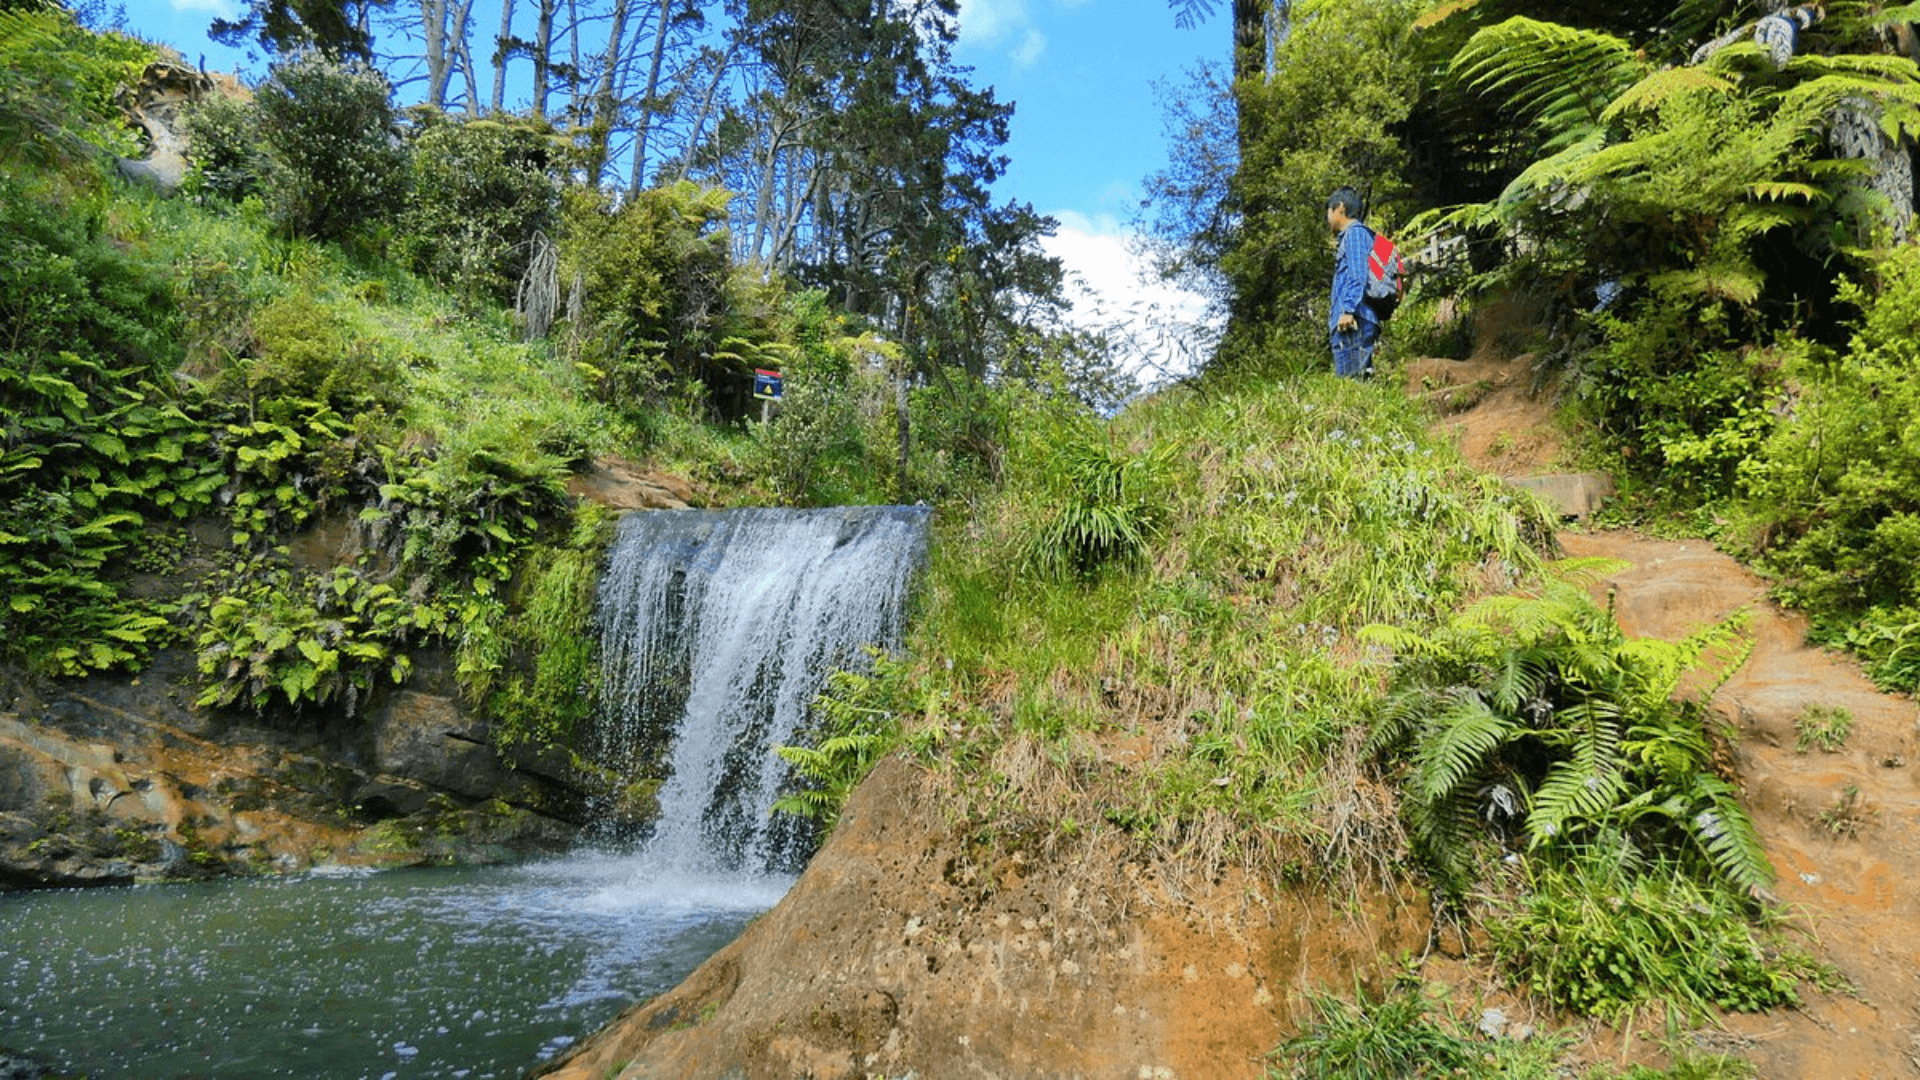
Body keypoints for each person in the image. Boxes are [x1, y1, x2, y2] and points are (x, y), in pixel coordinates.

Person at [1326, 187, 1379, 379]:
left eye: (1329, 212)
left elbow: (1358, 275)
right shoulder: (1352, 236)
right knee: (1356, 382)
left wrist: (1347, 310)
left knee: (1353, 383)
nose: (1328, 219)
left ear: (1340, 208)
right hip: (1351, 322)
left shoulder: (1355, 234)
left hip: (1352, 322)